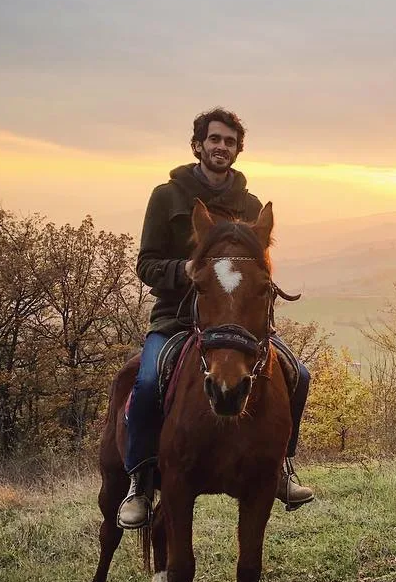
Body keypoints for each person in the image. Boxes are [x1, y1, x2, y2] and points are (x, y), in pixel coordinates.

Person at [117, 108, 315, 529]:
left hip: (239, 322)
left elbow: (260, 267)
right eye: (214, 140)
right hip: (177, 315)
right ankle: (141, 480)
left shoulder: (250, 205)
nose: (221, 147)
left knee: (298, 374)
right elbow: (146, 264)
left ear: (237, 149)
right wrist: (185, 272)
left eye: (229, 141)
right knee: (149, 380)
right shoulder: (166, 196)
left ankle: (282, 467)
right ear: (199, 145)